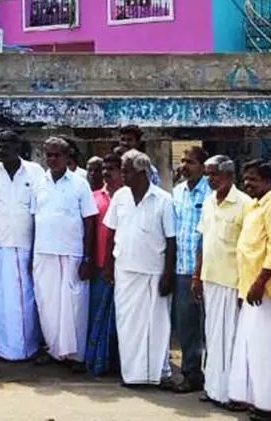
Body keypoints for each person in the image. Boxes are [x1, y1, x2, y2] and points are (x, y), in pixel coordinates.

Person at [102, 149, 175, 387]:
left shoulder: (163, 199)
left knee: (156, 326)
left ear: (142, 173)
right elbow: (110, 232)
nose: (122, 176)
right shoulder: (120, 197)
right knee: (127, 325)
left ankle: (158, 374)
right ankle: (132, 375)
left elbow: (171, 240)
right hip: (124, 270)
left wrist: (168, 275)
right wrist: (107, 265)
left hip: (154, 272)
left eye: (127, 172)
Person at [229, 159, 271, 419]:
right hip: (251, 290)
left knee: (268, 351)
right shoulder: (254, 207)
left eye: (252, 179)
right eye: (245, 179)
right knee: (254, 350)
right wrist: (245, 288)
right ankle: (260, 399)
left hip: (268, 291)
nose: (247, 184)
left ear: (267, 180)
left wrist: (259, 283)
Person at [30, 135, 97, 370]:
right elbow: (34, 220)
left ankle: (75, 356)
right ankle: (53, 350)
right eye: (48, 155)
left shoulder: (80, 183)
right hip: (44, 252)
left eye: (57, 155)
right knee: (47, 305)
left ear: (67, 156)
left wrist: (87, 258)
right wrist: (32, 255)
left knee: (74, 306)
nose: (52, 159)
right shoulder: (38, 183)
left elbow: (89, 221)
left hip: (72, 253)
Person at [0, 130, 44, 361]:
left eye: (6, 145)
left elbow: (39, 212)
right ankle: (3, 348)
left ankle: (26, 348)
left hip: (26, 246)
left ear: (17, 147)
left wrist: (36, 249)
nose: (1, 150)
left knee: (25, 300)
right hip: (0, 245)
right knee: (1, 298)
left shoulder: (35, 172)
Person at [192, 156, 246, 409]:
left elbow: (248, 249)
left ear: (230, 176)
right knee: (212, 337)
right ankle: (213, 388)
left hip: (232, 282)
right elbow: (203, 241)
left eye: (214, 174)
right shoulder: (208, 202)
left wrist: (245, 285)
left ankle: (230, 393)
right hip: (210, 279)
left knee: (231, 338)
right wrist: (196, 275)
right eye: (207, 174)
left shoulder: (244, 204)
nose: (210, 179)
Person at [170, 145, 209, 392]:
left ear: (203, 167)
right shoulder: (176, 192)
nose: (184, 166)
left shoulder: (211, 192)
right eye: (183, 161)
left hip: (208, 271)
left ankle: (214, 377)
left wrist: (200, 272)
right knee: (186, 325)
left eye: (190, 162)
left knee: (210, 326)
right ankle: (191, 373)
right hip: (182, 269)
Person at [85, 154, 123, 376]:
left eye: (112, 169)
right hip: (99, 266)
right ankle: (98, 362)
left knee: (120, 318)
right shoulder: (93, 197)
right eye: (104, 169)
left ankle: (119, 362)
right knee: (97, 315)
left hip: (124, 268)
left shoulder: (129, 197)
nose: (106, 173)